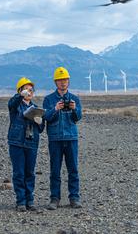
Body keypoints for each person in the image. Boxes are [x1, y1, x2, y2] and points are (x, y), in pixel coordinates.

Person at [43, 67, 82, 210]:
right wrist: (55, 109)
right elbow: (46, 117)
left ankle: (74, 198)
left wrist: (74, 108)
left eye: (65, 79)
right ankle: (55, 199)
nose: (63, 82)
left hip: (71, 137)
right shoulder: (48, 100)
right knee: (55, 170)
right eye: (60, 80)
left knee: (73, 169)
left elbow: (78, 118)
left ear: (68, 81)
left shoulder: (75, 99)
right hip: (55, 139)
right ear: (55, 82)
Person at [7, 77, 45, 212]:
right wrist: (19, 96)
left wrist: (40, 122)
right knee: (19, 173)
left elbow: (40, 130)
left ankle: (30, 201)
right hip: (17, 143)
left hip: (31, 143)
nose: (29, 92)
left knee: (30, 172)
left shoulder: (35, 108)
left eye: (31, 90)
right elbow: (11, 103)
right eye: (26, 89)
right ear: (20, 91)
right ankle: (21, 201)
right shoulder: (16, 106)